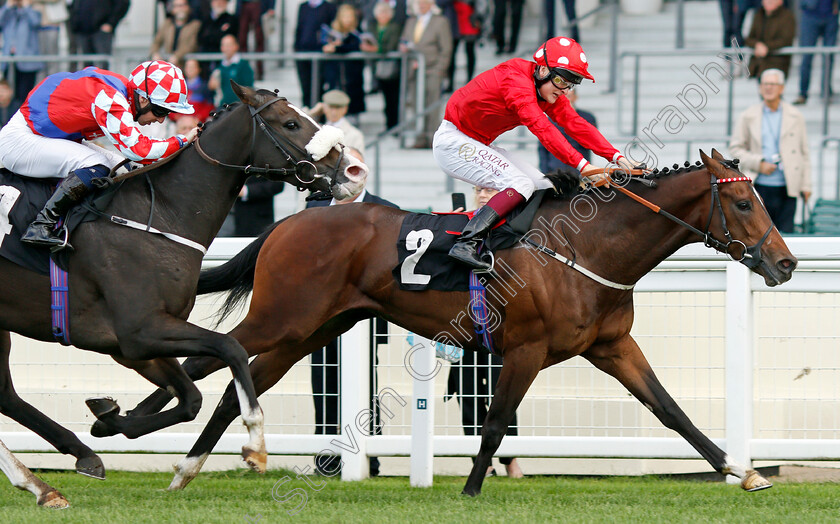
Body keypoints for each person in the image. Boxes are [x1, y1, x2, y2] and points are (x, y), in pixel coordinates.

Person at [433, 36, 633, 270]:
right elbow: (542, 128)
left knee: (544, 186)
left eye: (571, 83)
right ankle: (466, 242)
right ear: (542, 70)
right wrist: (583, 166)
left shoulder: (546, 90)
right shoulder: (516, 82)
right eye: (560, 80)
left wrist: (617, 157)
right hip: (453, 142)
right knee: (521, 183)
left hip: (475, 142)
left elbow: (576, 124)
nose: (565, 90)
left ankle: (520, 248)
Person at [0, 60, 200, 250]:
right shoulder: (110, 98)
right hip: (20, 140)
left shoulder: (121, 92)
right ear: (143, 98)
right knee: (97, 164)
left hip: (43, 134)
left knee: (121, 166)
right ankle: (42, 225)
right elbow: (140, 151)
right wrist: (182, 140)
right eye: (159, 111)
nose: (160, 120)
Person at [307, 146, 397, 477]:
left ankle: (367, 457)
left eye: (354, 167)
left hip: (366, 315)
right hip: (320, 317)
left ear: (365, 170)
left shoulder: (387, 210)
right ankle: (328, 459)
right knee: (324, 385)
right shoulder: (314, 206)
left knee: (365, 385)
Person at [445, 184, 524, 478]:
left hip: (500, 329)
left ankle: (509, 459)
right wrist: (447, 234)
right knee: (467, 396)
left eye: (489, 189)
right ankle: (480, 462)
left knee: (502, 394)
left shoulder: (513, 227)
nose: (481, 195)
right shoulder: (465, 224)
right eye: (479, 189)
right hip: (465, 328)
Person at [729, 68, 811, 234]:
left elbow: (803, 153)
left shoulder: (795, 115)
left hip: (788, 187)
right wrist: (759, 163)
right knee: (759, 235)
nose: (768, 88)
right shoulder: (748, 115)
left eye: (773, 84)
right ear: (760, 88)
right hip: (758, 186)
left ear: (782, 88)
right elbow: (735, 148)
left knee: (786, 235)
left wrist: (806, 185)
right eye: (765, 84)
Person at [400, 0, 452, 149]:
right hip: (415, 70)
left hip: (432, 69)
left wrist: (439, 69)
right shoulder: (411, 21)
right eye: (419, 3)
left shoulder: (440, 22)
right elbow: (404, 40)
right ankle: (419, 137)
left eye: (424, 2)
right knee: (416, 104)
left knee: (432, 104)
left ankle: (432, 137)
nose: (421, 5)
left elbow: (446, 48)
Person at [360, 1, 403, 130]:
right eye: (380, 13)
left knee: (392, 99)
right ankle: (388, 125)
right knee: (384, 97)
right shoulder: (372, 26)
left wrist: (376, 49)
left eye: (385, 13)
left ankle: (393, 126)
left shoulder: (395, 27)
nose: (382, 16)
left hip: (391, 68)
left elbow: (391, 46)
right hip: (376, 67)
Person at [321, 4, 367, 120]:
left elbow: (354, 46)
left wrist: (338, 48)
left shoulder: (357, 32)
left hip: (352, 77)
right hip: (336, 76)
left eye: (350, 16)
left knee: (353, 105)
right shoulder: (332, 32)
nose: (348, 19)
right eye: (345, 16)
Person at [538, 89, 595, 174]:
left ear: (575, 98)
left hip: (579, 171)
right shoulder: (550, 120)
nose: (565, 100)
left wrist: (572, 117)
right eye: (562, 97)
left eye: (568, 96)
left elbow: (590, 142)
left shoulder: (588, 118)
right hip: (556, 170)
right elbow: (543, 148)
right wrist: (545, 171)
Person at [794, 0, 839, 105]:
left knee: (828, 57)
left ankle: (826, 92)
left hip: (831, 15)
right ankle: (803, 93)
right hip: (810, 14)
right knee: (806, 56)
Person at [294, 0, 337, 108]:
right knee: (305, 86)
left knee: (318, 87)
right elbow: (299, 28)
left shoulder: (329, 7)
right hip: (303, 54)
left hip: (320, 54)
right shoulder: (303, 7)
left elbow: (331, 31)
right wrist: (296, 48)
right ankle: (307, 113)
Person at [0, 0, 44, 105]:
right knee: (7, 96)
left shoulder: (34, 9)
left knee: (24, 96)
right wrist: (7, 6)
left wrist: (26, 6)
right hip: (8, 60)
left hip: (27, 61)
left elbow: (36, 22)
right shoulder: (8, 11)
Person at [67, 0, 130, 69]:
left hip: (101, 31)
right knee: (87, 67)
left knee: (103, 65)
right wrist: (74, 23)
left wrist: (111, 23)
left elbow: (123, 3)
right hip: (82, 31)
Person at [744, 0, 795, 80]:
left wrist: (766, 47)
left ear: (781, 1)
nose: (769, 1)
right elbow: (749, 38)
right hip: (758, 64)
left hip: (777, 64)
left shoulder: (787, 16)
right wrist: (757, 45)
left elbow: (786, 40)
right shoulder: (758, 15)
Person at [309, 89, 366, 157]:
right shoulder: (317, 129)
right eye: (331, 107)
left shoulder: (355, 135)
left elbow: (357, 162)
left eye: (338, 108)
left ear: (345, 109)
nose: (334, 112)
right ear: (324, 107)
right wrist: (312, 113)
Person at [150, 0, 202, 71]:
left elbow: (191, 45)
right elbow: (156, 42)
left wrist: (177, 56)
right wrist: (155, 53)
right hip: (169, 66)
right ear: (173, 9)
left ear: (188, 7)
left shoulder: (195, 25)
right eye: (177, 6)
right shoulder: (167, 24)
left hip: (185, 65)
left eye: (183, 5)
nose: (180, 8)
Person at [208, 34, 254, 107]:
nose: (227, 48)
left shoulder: (243, 65)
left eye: (229, 45)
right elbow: (212, 87)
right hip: (223, 107)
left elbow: (249, 88)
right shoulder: (219, 67)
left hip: (239, 107)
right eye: (224, 45)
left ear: (236, 46)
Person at [198, 0, 238, 77]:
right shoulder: (206, 20)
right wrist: (218, 33)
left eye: (222, 1)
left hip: (223, 62)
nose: (219, 3)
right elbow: (200, 38)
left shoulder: (231, 19)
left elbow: (229, 37)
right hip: (206, 63)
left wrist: (211, 35)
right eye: (216, 1)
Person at [236, 0, 273, 81]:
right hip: (244, 4)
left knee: (259, 39)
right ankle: (243, 70)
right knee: (242, 39)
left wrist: (271, 6)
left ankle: (260, 72)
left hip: (258, 4)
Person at [32, 0, 69, 77]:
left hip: (52, 24)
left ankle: (53, 83)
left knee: (52, 60)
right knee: (40, 62)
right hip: (37, 26)